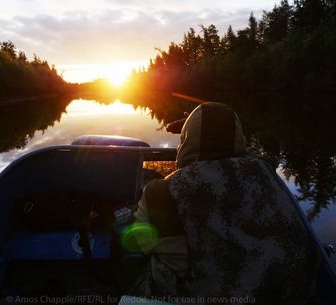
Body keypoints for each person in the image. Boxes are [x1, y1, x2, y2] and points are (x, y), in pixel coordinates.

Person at [131, 102, 320, 304]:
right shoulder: (263, 170)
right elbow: (252, 154)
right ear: (240, 140)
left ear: (186, 141)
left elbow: (138, 245)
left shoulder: (160, 192)